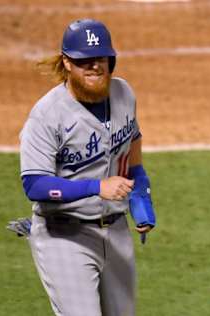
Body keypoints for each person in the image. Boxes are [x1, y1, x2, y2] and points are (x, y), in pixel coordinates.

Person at [19, 19, 156, 316]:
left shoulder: (124, 94)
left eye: (101, 59)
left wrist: (140, 194)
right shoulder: (46, 116)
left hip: (116, 230)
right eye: (85, 61)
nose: (95, 67)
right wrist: (96, 187)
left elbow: (132, 139)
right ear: (67, 63)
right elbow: (35, 185)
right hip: (65, 236)